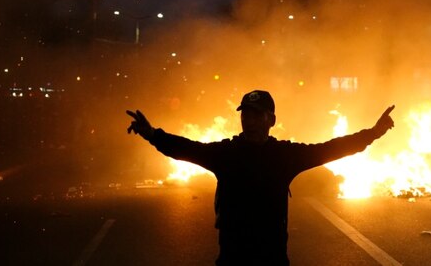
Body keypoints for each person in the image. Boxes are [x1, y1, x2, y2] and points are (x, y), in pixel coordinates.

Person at [126, 90, 395, 265]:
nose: (249, 119)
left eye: (256, 114)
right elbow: (187, 149)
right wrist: (152, 134)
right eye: (245, 114)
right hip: (232, 255)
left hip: (272, 257)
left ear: (271, 119)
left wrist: (373, 133)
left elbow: (329, 149)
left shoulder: (284, 155)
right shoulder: (226, 153)